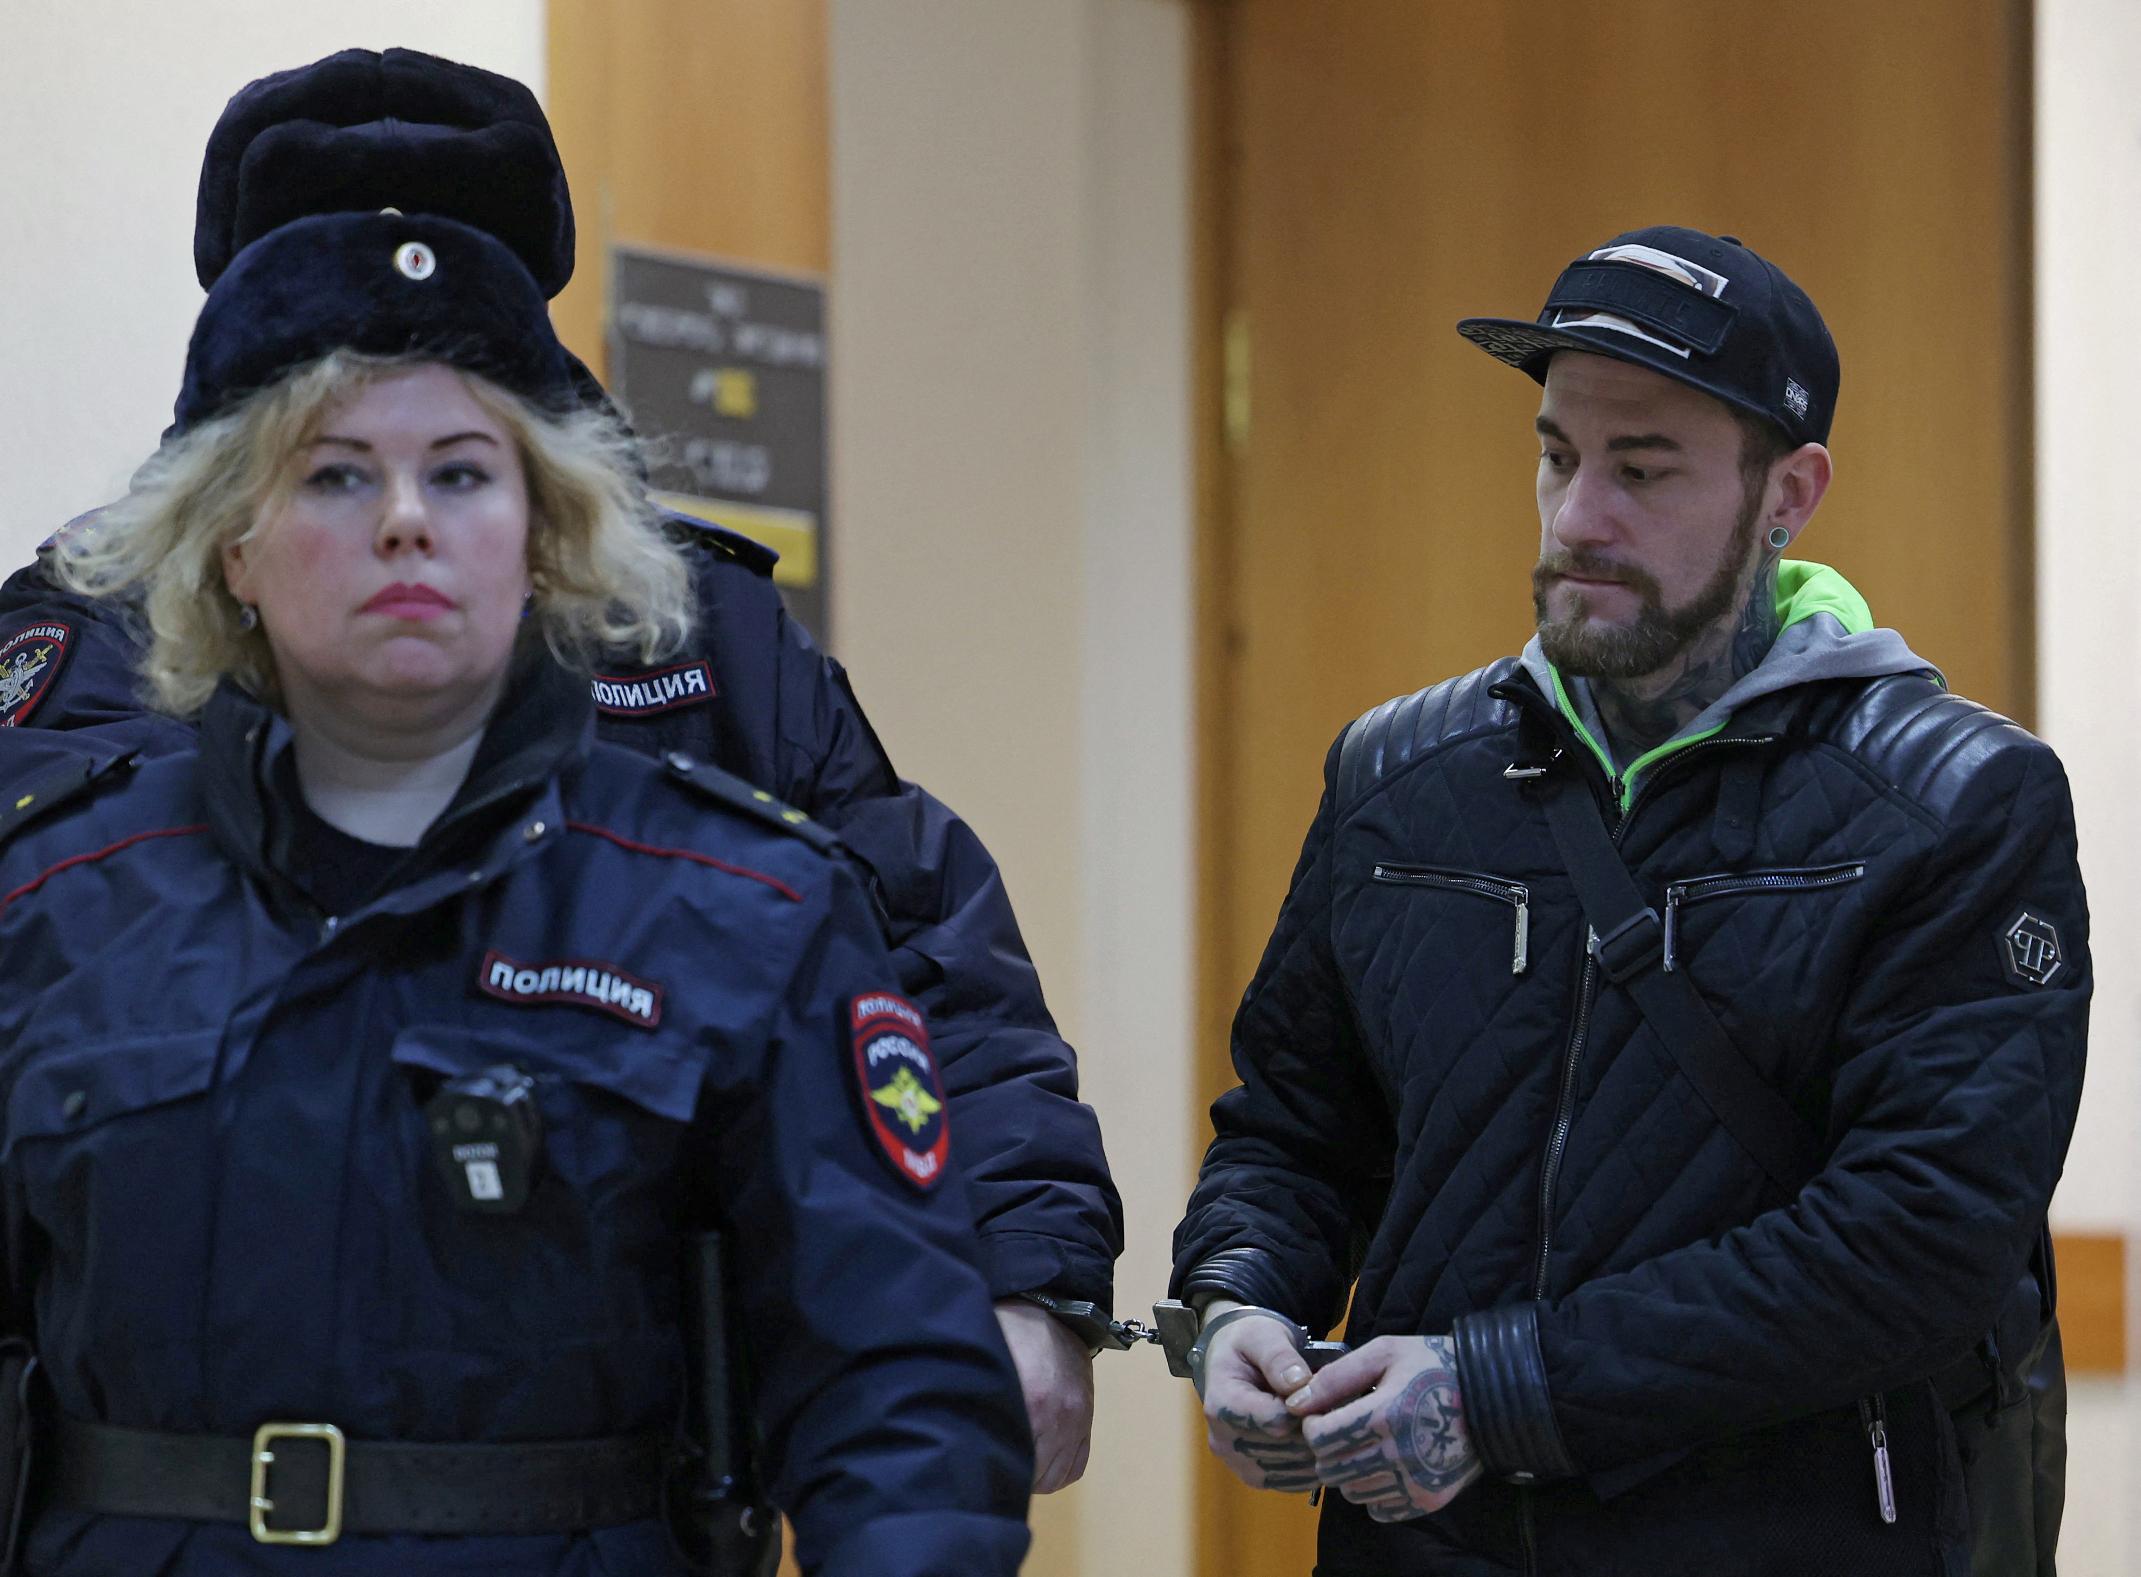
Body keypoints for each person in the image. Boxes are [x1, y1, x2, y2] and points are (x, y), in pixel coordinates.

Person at [0, 46, 1118, 1492]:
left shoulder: (692, 629)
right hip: (168, 1465)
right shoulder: (93, 630)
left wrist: (1024, 1285)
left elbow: (920, 962)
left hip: (602, 1465)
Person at [1169, 226, 2087, 1575]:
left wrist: (1500, 1391)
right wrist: (1238, 1295)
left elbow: (1918, 1239)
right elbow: (1296, 1127)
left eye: (1642, 470)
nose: (1577, 517)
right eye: (1558, 456)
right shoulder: (1397, 774)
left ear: (1788, 493)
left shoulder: (1953, 802)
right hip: (1424, 1546)